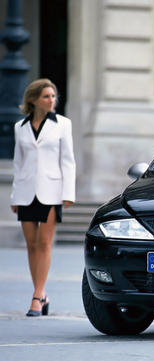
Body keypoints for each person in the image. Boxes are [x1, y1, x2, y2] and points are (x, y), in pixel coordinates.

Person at [10, 79, 76, 317]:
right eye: (47, 96)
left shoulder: (62, 124)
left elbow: (68, 161)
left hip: (52, 191)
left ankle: (37, 297)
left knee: (45, 243)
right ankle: (42, 293)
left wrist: (68, 193)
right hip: (26, 192)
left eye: (54, 96)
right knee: (31, 245)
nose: (52, 100)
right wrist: (15, 195)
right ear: (33, 99)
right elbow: (19, 164)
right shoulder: (21, 127)